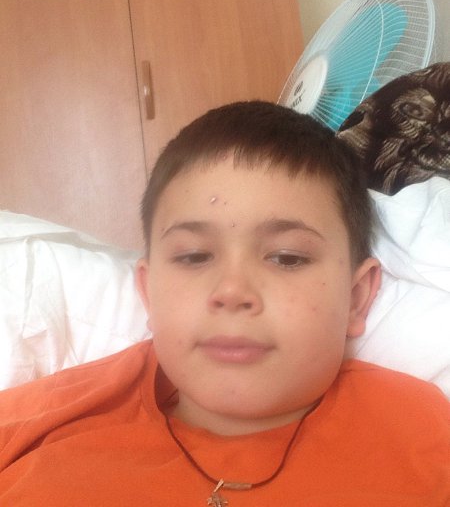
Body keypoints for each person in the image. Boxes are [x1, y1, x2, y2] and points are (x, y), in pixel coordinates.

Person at [0, 101, 448, 506]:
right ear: (148, 293)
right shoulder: (36, 427)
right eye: (194, 257)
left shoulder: (424, 436)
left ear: (356, 298)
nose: (232, 291)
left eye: (287, 258)